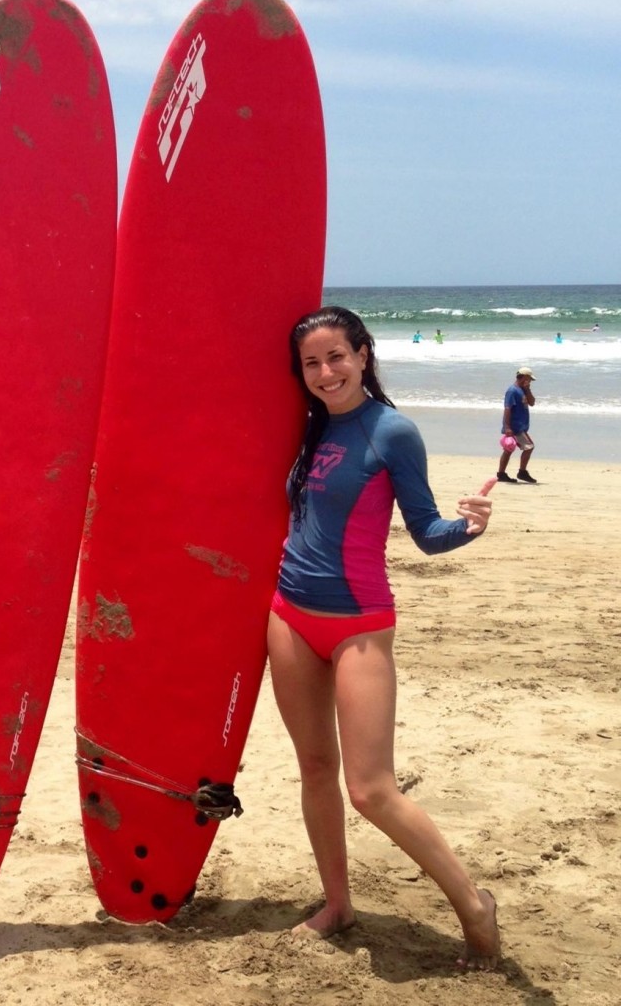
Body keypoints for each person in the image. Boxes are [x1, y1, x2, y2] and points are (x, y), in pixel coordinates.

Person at [267, 306, 500, 971]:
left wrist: (470, 526)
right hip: (288, 616)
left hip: (359, 627)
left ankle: (473, 903)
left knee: (370, 788)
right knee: (315, 768)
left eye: (337, 356)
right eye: (311, 363)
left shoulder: (392, 431)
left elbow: (427, 533)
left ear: (364, 354)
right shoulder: (307, 427)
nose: (325, 372)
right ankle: (338, 903)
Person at [498, 367, 537, 483]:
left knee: (508, 450)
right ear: (525, 377)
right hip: (515, 427)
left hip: (521, 426)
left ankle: (501, 474)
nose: (530, 381)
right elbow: (507, 409)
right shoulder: (512, 391)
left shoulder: (523, 390)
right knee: (529, 447)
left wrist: (528, 390)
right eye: (529, 379)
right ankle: (522, 472)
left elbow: (532, 403)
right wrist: (508, 427)